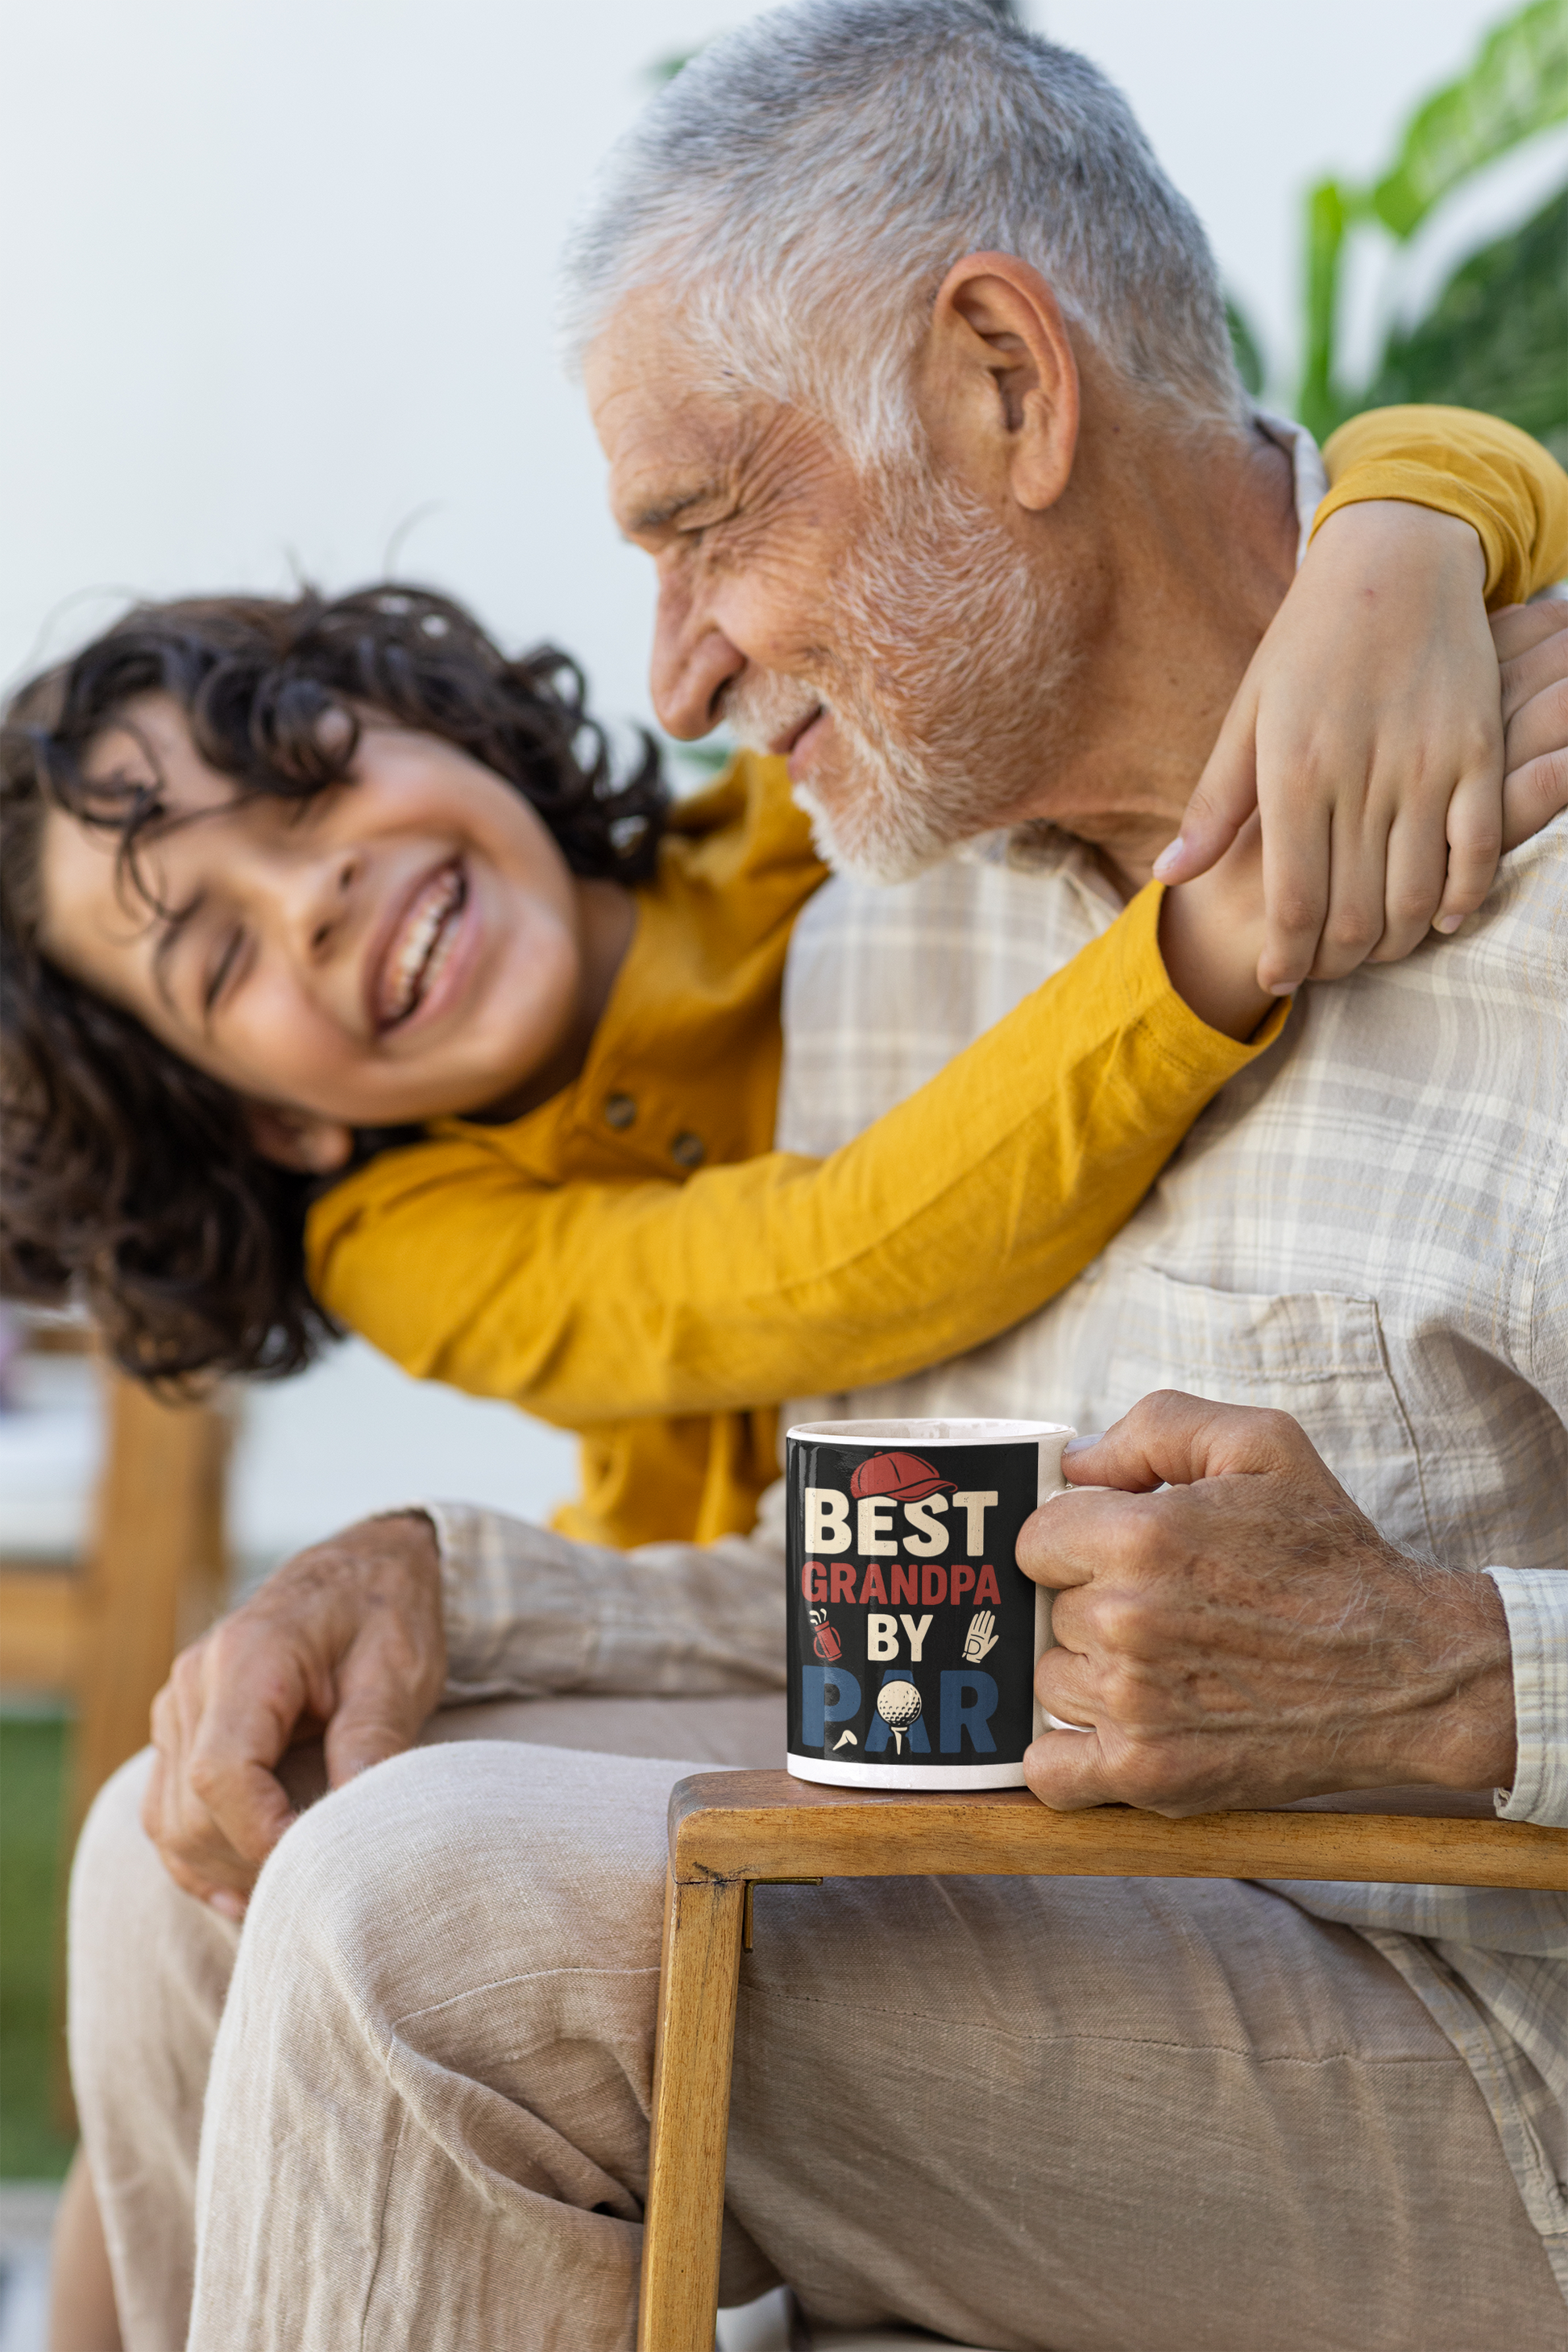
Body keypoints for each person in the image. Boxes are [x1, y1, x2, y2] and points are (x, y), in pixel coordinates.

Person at [57, 6, 1568, 2347]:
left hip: (1500, 2058)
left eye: (708, 523)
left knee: (429, 1911)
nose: (668, 675)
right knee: (204, 1848)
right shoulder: (886, 917)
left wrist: (1450, 1681)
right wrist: (458, 1592)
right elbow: (910, 1606)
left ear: (1002, 381)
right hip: (1059, 1898)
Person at [6, 409, 1567, 1555]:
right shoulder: (402, 1247)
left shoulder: (798, 816)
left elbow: (1269, 495)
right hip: (749, 1621)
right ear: (261, 1120)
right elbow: (833, 1263)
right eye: (221, 957)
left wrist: (1397, 545)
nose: (316, 895)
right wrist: (1212, 929)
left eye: (302, 787)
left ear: (436, 726)